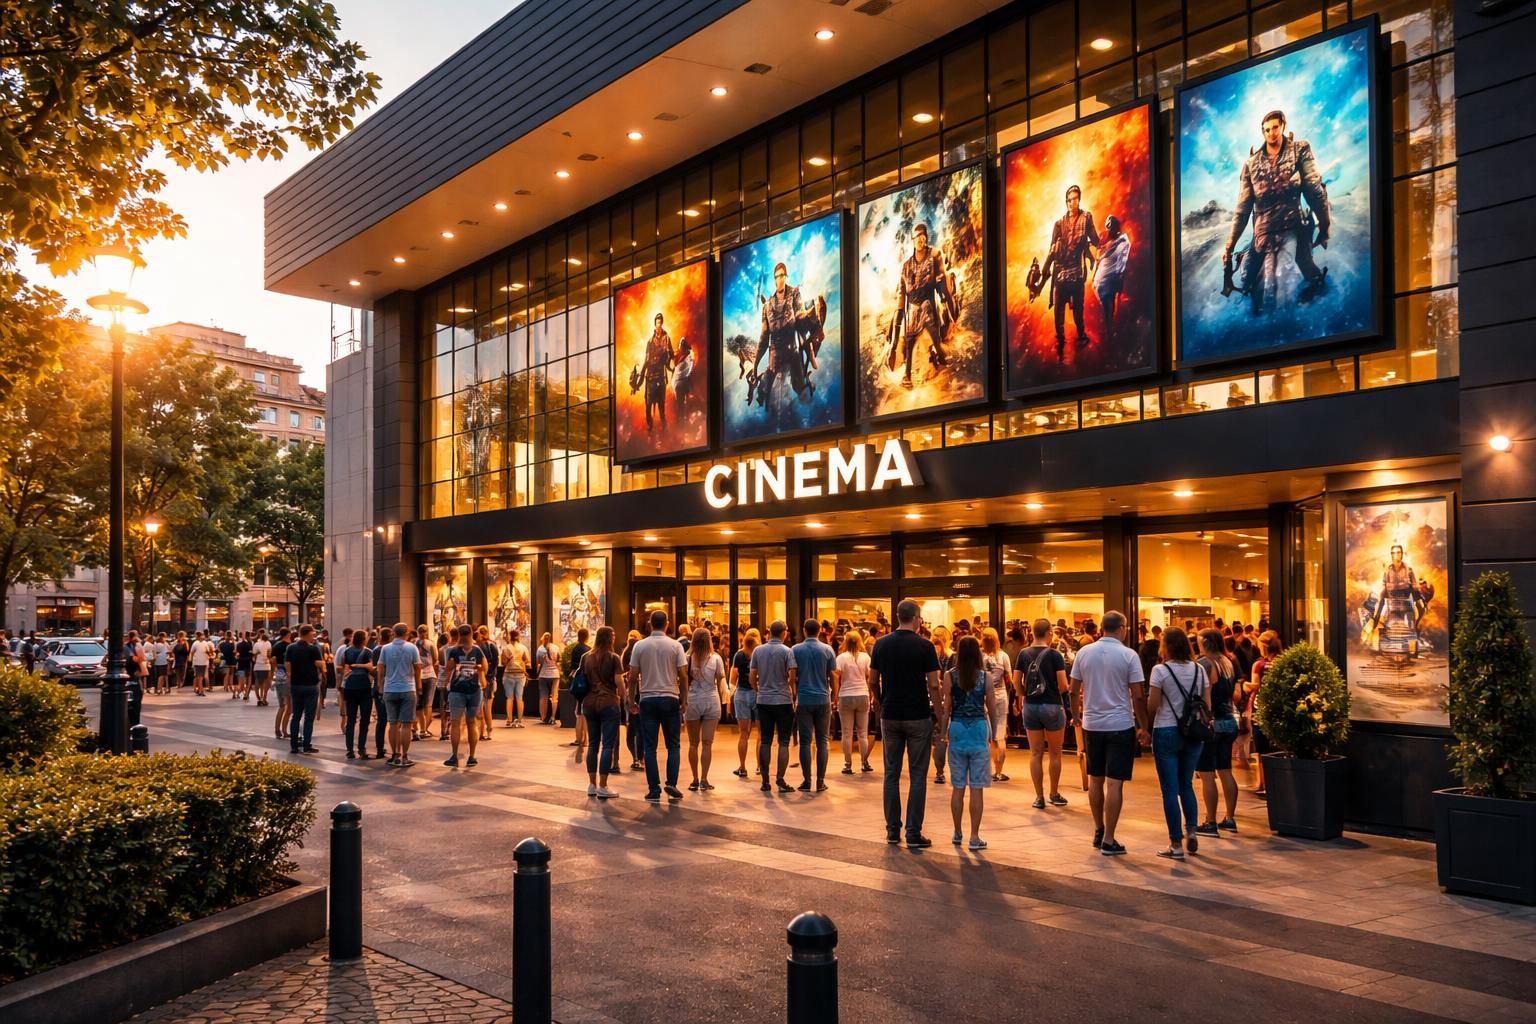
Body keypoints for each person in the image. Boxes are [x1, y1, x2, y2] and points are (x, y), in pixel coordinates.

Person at [1223, 108, 1331, 314]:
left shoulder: (1299, 150)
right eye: (1266, 129)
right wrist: (1230, 244)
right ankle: (1258, 320)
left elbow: (1314, 189)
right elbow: (1242, 209)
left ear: (1283, 126)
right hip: (1263, 233)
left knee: (1300, 267)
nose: (1271, 132)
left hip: (1293, 225)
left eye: (1275, 127)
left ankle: (1316, 302)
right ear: (1262, 132)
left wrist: (1325, 225)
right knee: (1246, 277)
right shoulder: (1251, 164)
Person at [1069, 610, 1150, 856]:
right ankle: (1109, 838)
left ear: (1102, 627)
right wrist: (1144, 726)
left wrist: (1076, 717)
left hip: (1092, 725)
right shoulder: (1129, 655)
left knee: (1095, 779)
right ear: (1122, 628)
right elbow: (1137, 695)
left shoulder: (1084, 652)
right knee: (1115, 783)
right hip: (1120, 725)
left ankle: (1098, 828)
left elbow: (1073, 691)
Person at [869, 600, 943, 848]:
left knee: (891, 773)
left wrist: (880, 703)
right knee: (918, 774)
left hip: (890, 714)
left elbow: (873, 680)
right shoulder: (925, 646)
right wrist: (941, 715)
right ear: (917, 618)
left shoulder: (881, 644)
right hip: (918, 715)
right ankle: (913, 832)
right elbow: (933, 684)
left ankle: (892, 830)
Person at [1147, 627, 1210, 860]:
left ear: (1165, 646)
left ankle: (1176, 844)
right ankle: (1192, 830)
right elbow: (1206, 705)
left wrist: (1145, 726)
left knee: (1169, 791)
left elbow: (1153, 704)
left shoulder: (1160, 670)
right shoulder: (1199, 669)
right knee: (1187, 785)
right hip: (1193, 733)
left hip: (1166, 730)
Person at [628, 610, 687, 802]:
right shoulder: (676, 645)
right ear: (667, 624)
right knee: (673, 745)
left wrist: (631, 700)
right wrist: (684, 699)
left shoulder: (639, 646)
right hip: (670, 697)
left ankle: (654, 789)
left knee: (650, 747)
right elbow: (683, 675)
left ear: (650, 624)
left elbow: (632, 676)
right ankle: (671, 783)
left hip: (648, 699)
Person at [1015, 618, 1071, 809]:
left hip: (1031, 706)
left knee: (1035, 753)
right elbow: (1063, 685)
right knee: (1055, 753)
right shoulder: (1055, 655)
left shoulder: (1023, 654)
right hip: (1052, 705)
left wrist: (1024, 695)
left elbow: (1016, 681)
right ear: (1049, 633)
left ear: (1032, 632)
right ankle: (1053, 794)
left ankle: (1038, 796)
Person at [945, 635, 991, 850]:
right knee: (977, 787)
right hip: (978, 728)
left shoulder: (950, 676)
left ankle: (956, 831)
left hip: (957, 729)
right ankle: (974, 836)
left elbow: (947, 708)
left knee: (958, 786)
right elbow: (989, 707)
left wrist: (942, 732)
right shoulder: (985, 677)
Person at [1194, 628, 1241, 836]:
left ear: (1204, 642)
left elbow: (1201, 694)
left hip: (1211, 722)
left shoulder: (1205, 663)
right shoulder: (1228, 661)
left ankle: (1210, 821)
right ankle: (1230, 818)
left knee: (1206, 775)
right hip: (1229, 720)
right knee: (1225, 770)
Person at [749, 619, 798, 795]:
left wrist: (759, 689)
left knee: (765, 740)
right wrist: (790, 690)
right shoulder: (787, 651)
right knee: (783, 741)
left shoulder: (758, 650)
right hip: (783, 700)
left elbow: (752, 675)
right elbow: (792, 676)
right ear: (784, 633)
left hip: (764, 700)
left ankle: (765, 781)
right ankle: (780, 778)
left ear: (769, 632)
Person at [580, 626, 626, 799]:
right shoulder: (614, 658)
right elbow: (618, 681)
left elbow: (583, 680)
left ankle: (591, 784)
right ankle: (603, 785)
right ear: (609, 638)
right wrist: (624, 697)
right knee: (607, 745)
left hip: (589, 703)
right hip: (608, 702)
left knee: (593, 743)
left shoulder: (586, 657)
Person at [792, 618, 835, 793]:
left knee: (804, 741)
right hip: (823, 698)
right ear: (819, 631)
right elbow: (832, 675)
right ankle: (820, 781)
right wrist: (834, 696)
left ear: (804, 631)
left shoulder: (795, 650)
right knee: (822, 741)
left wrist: (794, 694)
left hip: (803, 698)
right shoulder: (827, 650)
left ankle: (806, 780)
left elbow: (792, 675)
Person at [684, 628, 726, 792]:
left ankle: (694, 779)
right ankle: (704, 779)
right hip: (711, 700)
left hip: (692, 701)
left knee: (693, 743)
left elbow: (681, 680)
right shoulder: (716, 659)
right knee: (707, 743)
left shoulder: (687, 658)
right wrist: (726, 694)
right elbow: (721, 679)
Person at [375, 622, 422, 766]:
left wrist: (380, 687)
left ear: (393, 633)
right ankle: (405, 756)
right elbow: (418, 668)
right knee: (406, 724)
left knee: (393, 723)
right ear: (407, 633)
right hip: (408, 688)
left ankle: (394, 754)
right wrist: (419, 686)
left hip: (390, 689)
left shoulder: (385, 649)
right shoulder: (412, 648)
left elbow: (380, 669)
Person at [442, 624, 486, 769]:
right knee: (471, 722)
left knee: (455, 723)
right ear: (472, 634)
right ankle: (472, 756)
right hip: (474, 689)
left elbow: (448, 668)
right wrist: (476, 667)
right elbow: (485, 667)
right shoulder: (478, 650)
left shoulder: (453, 650)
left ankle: (455, 756)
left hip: (457, 690)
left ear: (459, 635)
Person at [1247, 630, 1283, 797]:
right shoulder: (1283, 662)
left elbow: (1255, 686)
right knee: (1276, 748)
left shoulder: (1259, 665)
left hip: (1261, 709)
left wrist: (1245, 685)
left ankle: (1263, 783)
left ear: (1264, 646)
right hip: (1279, 709)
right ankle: (1277, 781)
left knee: (1261, 750)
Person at [832, 630, 873, 774]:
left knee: (847, 733)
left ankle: (847, 764)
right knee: (863, 733)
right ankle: (864, 763)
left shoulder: (841, 658)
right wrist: (871, 693)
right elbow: (870, 676)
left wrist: (835, 697)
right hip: (862, 695)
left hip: (846, 695)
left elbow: (836, 677)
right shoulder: (865, 657)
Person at [285, 625, 324, 754]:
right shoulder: (313, 649)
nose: (313, 636)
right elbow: (320, 665)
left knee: (295, 715)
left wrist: (290, 680)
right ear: (307, 634)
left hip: (296, 685)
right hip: (311, 685)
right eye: (312, 634)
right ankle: (306, 744)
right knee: (309, 717)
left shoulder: (290, 648)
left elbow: (287, 666)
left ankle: (294, 746)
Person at [980, 627, 1012, 783]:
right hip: (1000, 696)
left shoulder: (979, 656)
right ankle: (999, 772)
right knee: (999, 735)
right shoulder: (1003, 656)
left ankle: (987, 769)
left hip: (983, 698)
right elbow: (1009, 679)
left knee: (987, 735)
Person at [339, 628, 375, 759]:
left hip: (350, 686)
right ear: (364, 639)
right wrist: (363, 667)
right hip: (364, 686)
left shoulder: (346, 651)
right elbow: (371, 667)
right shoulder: (368, 652)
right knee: (364, 719)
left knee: (351, 718)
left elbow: (343, 667)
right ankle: (361, 748)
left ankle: (349, 749)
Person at [730, 628, 760, 778]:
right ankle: (760, 767)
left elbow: (734, 674)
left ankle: (742, 767)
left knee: (743, 733)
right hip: (757, 693)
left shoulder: (739, 655)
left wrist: (731, 688)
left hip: (741, 693)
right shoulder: (759, 653)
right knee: (761, 734)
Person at [930, 624, 953, 785]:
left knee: (925, 739)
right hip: (943, 701)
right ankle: (939, 772)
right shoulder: (951, 657)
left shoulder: (926, 653)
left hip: (926, 701)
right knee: (941, 738)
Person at [561, 627, 591, 749]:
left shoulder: (574, 649)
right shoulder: (588, 651)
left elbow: (572, 666)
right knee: (583, 713)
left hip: (577, 683)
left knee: (579, 712)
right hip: (586, 684)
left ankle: (579, 738)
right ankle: (584, 739)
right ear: (587, 637)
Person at [501, 628, 530, 728]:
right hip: (520, 675)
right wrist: (521, 663)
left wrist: (510, 661)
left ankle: (509, 719)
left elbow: (503, 662)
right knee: (519, 698)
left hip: (508, 674)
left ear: (510, 636)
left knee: (509, 698)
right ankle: (520, 720)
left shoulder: (506, 648)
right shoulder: (523, 648)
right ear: (518, 637)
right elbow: (527, 660)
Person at [476, 626, 500, 742]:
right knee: (487, 708)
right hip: (490, 679)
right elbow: (496, 663)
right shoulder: (493, 645)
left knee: (480, 707)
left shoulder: (477, 647)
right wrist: (490, 676)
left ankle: (480, 732)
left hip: (480, 679)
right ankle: (489, 731)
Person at [414, 624, 438, 740]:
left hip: (418, 675)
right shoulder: (431, 644)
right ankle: (425, 729)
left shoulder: (413, 644)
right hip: (429, 674)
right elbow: (435, 658)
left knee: (418, 704)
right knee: (428, 704)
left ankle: (418, 727)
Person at [534, 631, 561, 725]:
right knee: (554, 697)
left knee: (543, 697)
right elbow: (558, 660)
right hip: (555, 674)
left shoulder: (540, 649)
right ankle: (553, 717)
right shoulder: (556, 647)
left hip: (543, 675)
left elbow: (538, 662)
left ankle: (543, 717)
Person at [252, 630, 273, 707]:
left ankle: (259, 699)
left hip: (258, 665)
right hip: (266, 665)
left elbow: (253, 654)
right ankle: (264, 698)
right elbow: (269, 654)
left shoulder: (256, 644)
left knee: (257, 682)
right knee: (266, 682)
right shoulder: (269, 644)